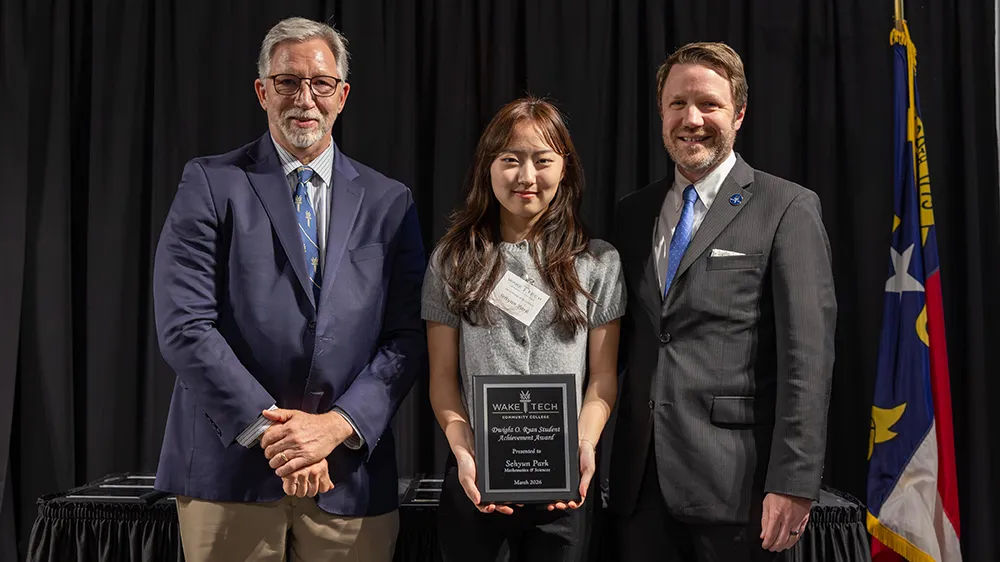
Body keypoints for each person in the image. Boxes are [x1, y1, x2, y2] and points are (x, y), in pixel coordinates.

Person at [152, 17, 426, 562]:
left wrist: (334, 428)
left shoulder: (390, 201)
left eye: (321, 83)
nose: (305, 98)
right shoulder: (210, 183)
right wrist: (277, 436)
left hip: (348, 477)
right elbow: (185, 326)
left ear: (342, 95)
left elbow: (408, 335)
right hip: (230, 475)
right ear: (262, 91)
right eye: (287, 82)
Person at [609, 42, 837, 562]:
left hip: (741, 489)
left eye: (708, 104)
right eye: (677, 104)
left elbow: (809, 359)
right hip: (640, 488)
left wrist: (794, 480)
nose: (692, 119)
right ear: (661, 113)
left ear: (738, 113)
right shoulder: (633, 212)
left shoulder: (788, 208)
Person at [422, 97, 625, 561]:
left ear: (565, 169)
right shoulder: (452, 260)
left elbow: (602, 378)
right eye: (510, 159)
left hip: (565, 483)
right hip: (477, 477)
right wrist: (463, 447)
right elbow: (441, 378)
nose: (526, 176)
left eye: (543, 160)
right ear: (487, 168)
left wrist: (585, 444)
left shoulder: (599, 262)